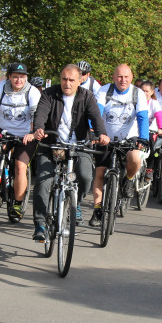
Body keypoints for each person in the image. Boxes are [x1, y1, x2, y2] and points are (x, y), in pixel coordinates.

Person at [30, 64, 110, 241]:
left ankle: (75, 201)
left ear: (80, 80)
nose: (67, 83)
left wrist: (102, 133)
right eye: (64, 79)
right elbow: (41, 113)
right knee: (43, 182)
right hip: (52, 144)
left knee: (85, 176)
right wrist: (39, 129)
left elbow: (96, 116)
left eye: (71, 80)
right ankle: (41, 224)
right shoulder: (49, 94)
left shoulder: (87, 96)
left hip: (78, 145)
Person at [0, 61, 41, 220]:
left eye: (22, 77)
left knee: (20, 166)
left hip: (25, 135)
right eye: (15, 77)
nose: (19, 80)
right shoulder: (2, 87)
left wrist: (33, 132)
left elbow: (35, 113)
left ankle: (17, 203)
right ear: (9, 77)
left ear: (26, 78)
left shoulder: (32, 91)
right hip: (3, 132)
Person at [89, 63, 150, 226]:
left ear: (131, 78)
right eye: (119, 76)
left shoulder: (137, 93)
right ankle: (97, 210)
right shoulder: (104, 90)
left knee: (135, 157)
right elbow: (97, 112)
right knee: (100, 173)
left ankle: (128, 180)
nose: (123, 80)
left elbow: (143, 117)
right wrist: (93, 130)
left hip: (129, 138)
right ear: (114, 77)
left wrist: (143, 138)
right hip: (105, 137)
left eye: (126, 77)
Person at [140, 80, 162, 179]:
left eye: (147, 91)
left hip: (150, 129)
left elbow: (159, 116)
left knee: (151, 146)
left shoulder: (154, 103)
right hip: (136, 129)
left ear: (152, 92)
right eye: (142, 91)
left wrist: (161, 128)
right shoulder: (136, 102)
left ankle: (149, 169)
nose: (144, 93)